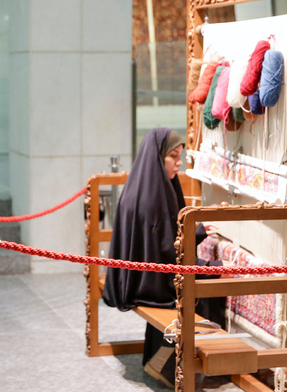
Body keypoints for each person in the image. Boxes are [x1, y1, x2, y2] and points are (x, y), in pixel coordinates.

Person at [102, 127, 224, 388]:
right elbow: (166, 256)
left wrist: (198, 233)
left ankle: (157, 358)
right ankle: (168, 365)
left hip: (137, 276)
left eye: (180, 156)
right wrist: (214, 266)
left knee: (201, 279)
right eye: (174, 157)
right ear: (158, 157)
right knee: (199, 290)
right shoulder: (153, 198)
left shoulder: (145, 186)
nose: (179, 164)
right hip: (148, 282)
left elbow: (161, 243)